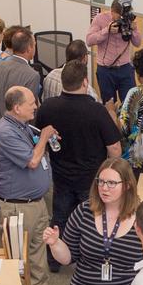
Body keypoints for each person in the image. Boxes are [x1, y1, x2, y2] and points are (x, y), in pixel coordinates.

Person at [42, 159, 143, 285]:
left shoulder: (141, 218)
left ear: (128, 185)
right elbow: (67, 258)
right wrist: (55, 244)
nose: (104, 188)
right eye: (101, 181)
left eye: (112, 183)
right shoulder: (83, 212)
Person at [35, 57, 122, 237]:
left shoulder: (47, 107)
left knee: (59, 219)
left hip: (60, 177)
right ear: (85, 81)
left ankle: (54, 259)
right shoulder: (97, 110)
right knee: (93, 222)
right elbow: (114, 149)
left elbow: (39, 141)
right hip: (91, 180)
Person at [0, 86, 62, 285]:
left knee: (37, 247)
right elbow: (32, 161)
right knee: (17, 254)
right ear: (17, 107)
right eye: (31, 102)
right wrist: (43, 138)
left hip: (35, 202)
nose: (36, 106)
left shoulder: (22, 125)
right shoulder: (5, 132)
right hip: (18, 206)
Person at [86, 0, 143, 105]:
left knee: (131, 104)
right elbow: (89, 40)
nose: (122, 19)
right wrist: (106, 31)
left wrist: (134, 29)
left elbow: (137, 43)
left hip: (125, 68)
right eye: (119, 16)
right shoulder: (100, 19)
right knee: (109, 105)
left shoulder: (129, 20)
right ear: (112, 11)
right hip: (106, 70)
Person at [0, 27, 41, 129]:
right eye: (34, 45)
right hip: (20, 133)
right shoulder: (32, 75)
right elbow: (30, 111)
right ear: (29, 48)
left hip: (0, 128)